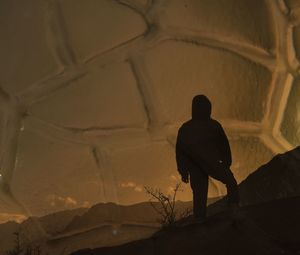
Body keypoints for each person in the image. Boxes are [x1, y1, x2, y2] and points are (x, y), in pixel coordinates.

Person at [176, 95, 239, 220]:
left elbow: (180, 152)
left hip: (202, 165)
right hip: (205, 164)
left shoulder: (188, 128)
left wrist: (183, 171)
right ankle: (232, 211)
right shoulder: (211, 125)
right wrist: (227, 161)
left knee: (202, 194)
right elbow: (224, 145)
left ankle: (231, 211)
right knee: (228, 184)